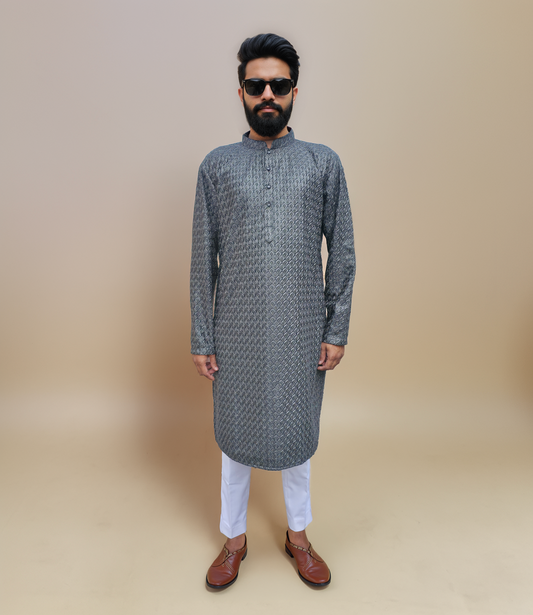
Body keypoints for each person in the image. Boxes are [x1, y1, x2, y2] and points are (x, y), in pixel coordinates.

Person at [190, 33, 355, 589]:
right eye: (256, 85)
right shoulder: (216, 166)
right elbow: (202, 257)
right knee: (235, 442)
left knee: (297, 436)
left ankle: (298, 537)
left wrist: (336, 328)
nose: (268, 94)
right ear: (240, 91)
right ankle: (233, 540)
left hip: (301, 330)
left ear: (294, 93)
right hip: (234, 331)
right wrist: (202, 335)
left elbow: (343, 250)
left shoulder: (322, 163)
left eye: (278, 85)